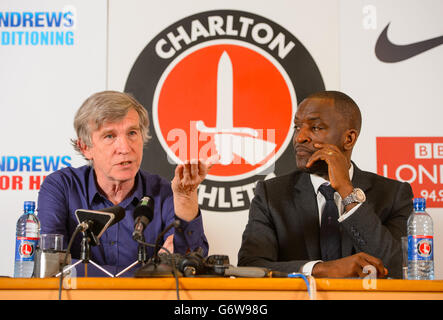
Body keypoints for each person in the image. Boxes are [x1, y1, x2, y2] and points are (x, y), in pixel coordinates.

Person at [237, 91, 413, 279]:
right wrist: (320, 269)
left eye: (316, 128)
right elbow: (250, 267)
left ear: (349, 139)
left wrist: (347, 191)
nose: (299, 138)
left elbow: (398, 267)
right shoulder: (271, 194)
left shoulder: (393, 194)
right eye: (297, 127)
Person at [38, 90, 212, 276]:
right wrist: (146, 274)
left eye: (132, 133)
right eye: (110, 136)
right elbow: (51, 265)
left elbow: (191, 262)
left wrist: (185, 196)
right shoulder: (61, 187)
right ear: (86, 148)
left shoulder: (163, 191)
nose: (125, 147)